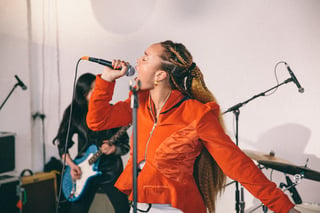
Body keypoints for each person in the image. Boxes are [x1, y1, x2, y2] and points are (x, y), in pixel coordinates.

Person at [86, 41, 300, 213]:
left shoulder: (197, 114)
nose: (137, 61)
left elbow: (238, 164)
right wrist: (106, 80)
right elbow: (97, 121)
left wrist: (283, 207)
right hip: (138, 203)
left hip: (174, 207)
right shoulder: (139, 102)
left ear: (160, 75)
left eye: (145, 57)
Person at [52, 73, 130, 213]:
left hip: (111, 169)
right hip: (84, 169)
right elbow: (62, 143)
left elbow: (125, 146)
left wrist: (113, 149)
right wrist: (71, 165)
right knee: (77, 210)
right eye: (95, 88)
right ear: (84, 94)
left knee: (123, 208)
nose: (100, 90)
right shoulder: (74, 112)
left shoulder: (112, 110)